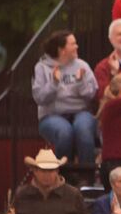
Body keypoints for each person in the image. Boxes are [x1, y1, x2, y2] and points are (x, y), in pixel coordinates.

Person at [33, 30, 99, 173]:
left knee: (83, 130)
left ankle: (86, 175)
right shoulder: (42, 68)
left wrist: (81, 82)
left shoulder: (82, 65)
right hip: (52, 114)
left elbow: (91, 95)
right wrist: (54, 83)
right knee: (64, 132)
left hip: (81, 111)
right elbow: (39, 98)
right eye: (73, 44)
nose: (77, 46)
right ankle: (64, 174)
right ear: (62, 50)